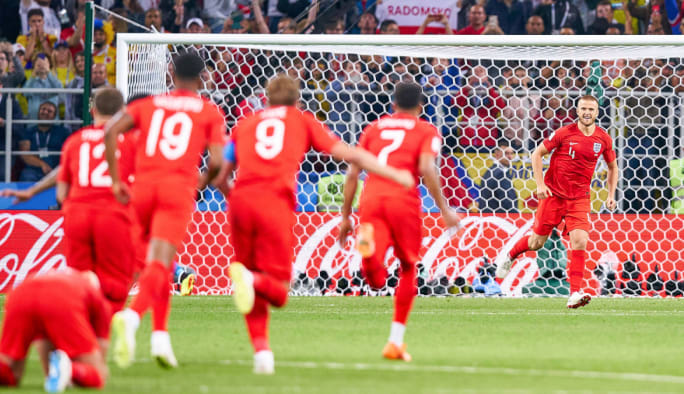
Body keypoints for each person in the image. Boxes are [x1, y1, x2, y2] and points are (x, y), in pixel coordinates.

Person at [213, 74, 414, 374]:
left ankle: (262, 354)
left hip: (241, 202)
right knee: (278, 291)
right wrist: (394, 174)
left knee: (251, 281)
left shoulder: (246, 124)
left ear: (266, 98)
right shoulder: (302, 120)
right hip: (274, 204)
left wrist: (236, 199)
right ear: (297, 100)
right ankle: (252, 283)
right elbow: (348, 154)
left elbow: (220, 175)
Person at [105, 52, 225, 369]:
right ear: (202, 77)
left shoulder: (149, 104)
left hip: (142, 189)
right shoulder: (209, 111)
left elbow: (109, 132)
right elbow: (217, 162)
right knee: (160, 262)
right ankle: (131, 317)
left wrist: (117, 181)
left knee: (148, 263)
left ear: (171, 74)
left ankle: (160, 338)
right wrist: (201, 182)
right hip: (176, 189)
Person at [338, 82, 461, 362]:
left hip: (371, 200)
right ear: (420, 108)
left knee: (376, 278)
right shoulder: (426, 130)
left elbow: (352, 172)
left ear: (393, 105)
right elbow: (427, 168)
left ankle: (370, 259)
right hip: (403, 203)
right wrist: (444, 209)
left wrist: (345, 217)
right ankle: (395, 342)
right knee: (408, 266)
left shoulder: (374, 129)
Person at [495, 95, 619, 309]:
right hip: (554, 196)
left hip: (579, 198)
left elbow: (612, 167)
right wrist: (540, 184)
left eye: (591, 109)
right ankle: (510, 255)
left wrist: (611, 194)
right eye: (583, 109)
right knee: (536, 243)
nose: (587, 112)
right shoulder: (564, 133)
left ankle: (574, 293)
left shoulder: (603, 138)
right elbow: (537, 154)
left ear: (597, 112)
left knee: (580, 241)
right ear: (577, 111)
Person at [56, 87, 135, 315]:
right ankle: (101, 334)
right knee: (115, 283)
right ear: (122, 111)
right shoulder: (129, 142)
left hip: (77, 215)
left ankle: (73, 337)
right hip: (112, 216)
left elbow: (61, 195)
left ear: (92, 110)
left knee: (79, 281)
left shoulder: (74, 141)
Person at [0, 270, 111, 392]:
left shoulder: (64, 277)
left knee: (13, 373)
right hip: (62, 299)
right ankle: (70, 370)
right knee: (98, 373)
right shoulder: (98, 298)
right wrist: (78, 370)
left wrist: (54, 370)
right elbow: (100, 356)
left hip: (20, 294)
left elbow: (46, 353)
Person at [0, 74, 24, 181]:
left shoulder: (13, 104)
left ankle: (1, 198)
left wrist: (4, 124)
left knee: (1, 175)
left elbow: (19, 129)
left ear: (1, 86)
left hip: (5, 151)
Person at [19, 101, 69, 182]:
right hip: (33, 170)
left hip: (56, 170)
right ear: (38, 112)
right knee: (26, 176)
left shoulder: (63, 132)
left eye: (49, 111)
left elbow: (70, 153)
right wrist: (42, 164)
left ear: (54, 116)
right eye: (43, 109)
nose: (45, 112)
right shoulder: (28, 131)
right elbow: (25, 155)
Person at [479, 141, 518, 213]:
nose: (510, 157)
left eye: (511, 153)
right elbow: (508, 202)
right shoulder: (501, 174)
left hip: (487, 218)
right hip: (500, 219)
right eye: (506, 153)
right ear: (497, 155)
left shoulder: (488, 172)